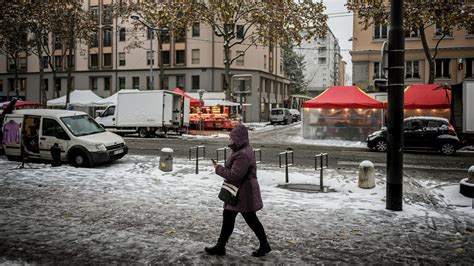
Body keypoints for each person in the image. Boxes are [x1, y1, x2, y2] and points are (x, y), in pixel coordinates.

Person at [205, 124, 271, 257]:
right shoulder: (241, 150)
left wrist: (218, 168)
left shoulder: (242, 154)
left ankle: (264, 245)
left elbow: (234, 175)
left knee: (251, 219)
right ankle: (220, 246)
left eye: (231, 138)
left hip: (243, 193)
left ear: (238, 139)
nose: (230, 140)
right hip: (239, 191)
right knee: (229, 217)